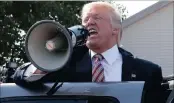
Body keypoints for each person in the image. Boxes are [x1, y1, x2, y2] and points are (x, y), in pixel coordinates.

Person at [12, 1, 165, 103]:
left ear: (115, 29)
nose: (89, 22)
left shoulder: (147, 71)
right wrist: (46, 62)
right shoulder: (67, 64)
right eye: (85, 19)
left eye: (96, 18)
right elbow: (20, 78)